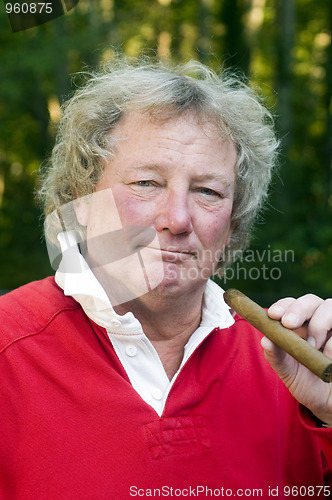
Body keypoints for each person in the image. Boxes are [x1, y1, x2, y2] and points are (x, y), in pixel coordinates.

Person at [0, 58, 331, 500]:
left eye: (208, 191)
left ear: (232, 223)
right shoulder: (8, 348)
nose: (177, 219)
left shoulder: (296, 369)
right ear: (81, 201)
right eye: (146, 183)